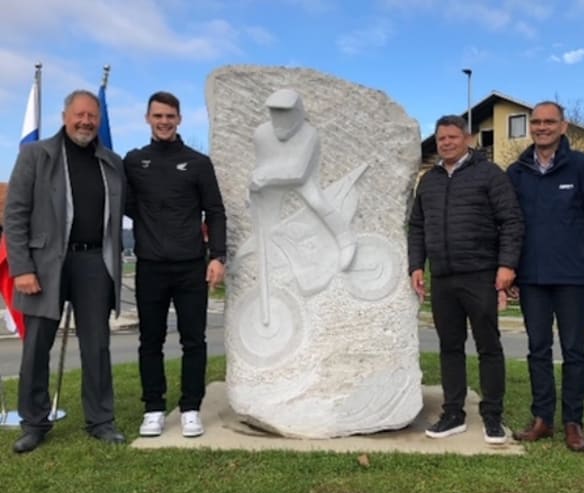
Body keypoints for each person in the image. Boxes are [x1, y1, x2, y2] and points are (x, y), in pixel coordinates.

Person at [5, 90, 126, 453]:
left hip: (94, 264)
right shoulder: (35, 155)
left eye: (92, 116)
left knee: (97, 347)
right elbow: (15, 216)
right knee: (36, 347)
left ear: (99, 120)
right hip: (43, 266)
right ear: (65, 116)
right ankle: (34, 423)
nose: (86, 121)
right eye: (79, 115)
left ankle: (101, 420)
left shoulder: (111, 162)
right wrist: (21, 268)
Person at [407, 115, 524, 444]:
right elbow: (417, 227)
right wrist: (417, 264)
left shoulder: (489, 174)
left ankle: (492, 416)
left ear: (467, 139)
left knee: (489, 346)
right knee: (450, 347)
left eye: (452, 137)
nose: (446, 143)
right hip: (443, 277)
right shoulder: (428, 181)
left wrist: (507, 266)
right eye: (441, 138)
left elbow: (511, 222)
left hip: (480, 274)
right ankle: (453, 413)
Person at [124, 91, 227, 438]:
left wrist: (218, 256)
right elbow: (126, 206)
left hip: (190, 266)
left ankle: (190, 408)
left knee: (193, 340)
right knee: (150, 341)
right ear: (148, 119)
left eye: (170, 116)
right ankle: (154, 407)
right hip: (150, 266)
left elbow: (215, 211)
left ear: (179, 119)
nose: (164, 122)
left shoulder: (198, 163)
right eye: (158, 116)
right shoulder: (134, 162)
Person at [506, 101, 584, 452]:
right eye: (536, 122)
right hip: (532, 277)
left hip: (574, 277)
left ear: (563, 127)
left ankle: (573, 422)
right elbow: (510, 225)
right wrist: (510, 269)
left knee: (574, 351)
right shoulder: (516, 172)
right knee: (537, 349)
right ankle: (542, 418)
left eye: (549, 122)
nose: (541, 127)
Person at [250, 88, 356, 271]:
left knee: (317, 202)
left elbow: (298, 172)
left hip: (302, 181)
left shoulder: (309, 134)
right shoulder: (261, 134)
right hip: (270, 184)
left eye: (285, 113)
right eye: (275, 113)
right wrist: (253, 185)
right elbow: (259, 166)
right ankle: (273, 257)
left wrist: (265, 176)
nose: (279, 120)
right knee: (267, 215)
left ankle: (346, 240)